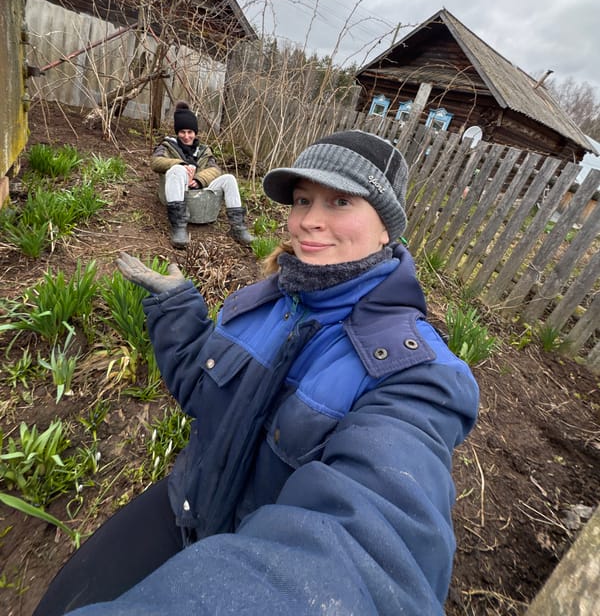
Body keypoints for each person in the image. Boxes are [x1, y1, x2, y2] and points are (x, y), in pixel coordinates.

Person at [34, 129, 479, 616]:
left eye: (341, 201)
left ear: (387, 229)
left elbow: (372, 549)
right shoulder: (261, 303)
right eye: (303, 199)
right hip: (188, 501)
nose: (309, 220)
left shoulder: (417, 373)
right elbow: (205, 397)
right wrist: (177, 310)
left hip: (256, 546)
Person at [151, 100, 254, 247]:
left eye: (190, 132)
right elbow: (155, 162)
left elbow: (215, 170)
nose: (186, 136)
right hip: (176, 188)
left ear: (195, 133)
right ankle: (179, 227)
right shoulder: (167, 146)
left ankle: (238, 227)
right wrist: (180, 164)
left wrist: (199, 179)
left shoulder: (204, 150)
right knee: (177, 170)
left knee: (229, 178)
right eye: (182, 132)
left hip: (198, 188)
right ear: (177, 132)